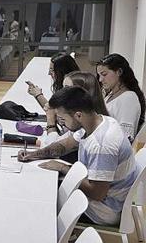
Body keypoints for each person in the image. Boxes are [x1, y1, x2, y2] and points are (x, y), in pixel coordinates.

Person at [18, 86, 136, 227]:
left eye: (62, 118)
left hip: (102, 210)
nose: (61, 122)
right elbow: (64, 145)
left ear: (78, 115)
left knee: (41, 196)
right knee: (40, 186)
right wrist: (34, 154)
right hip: (98, 197)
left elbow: (97, 193)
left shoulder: (102, 144)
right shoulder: (97, 122)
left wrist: (64, 168)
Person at [97, 53, 145, 142]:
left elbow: (125, 137)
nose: (100, 79)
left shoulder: (129, 98)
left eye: (104, 74)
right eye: (99, 75)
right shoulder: (109, 96)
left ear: (119, 72)